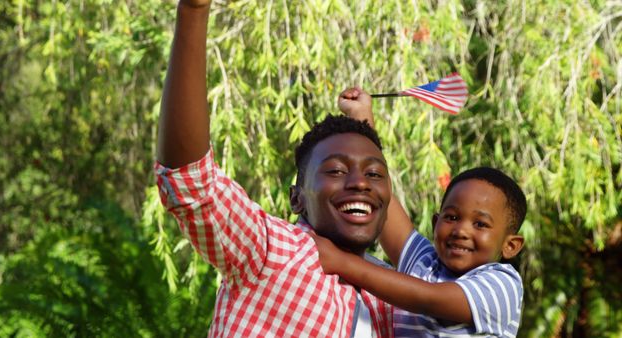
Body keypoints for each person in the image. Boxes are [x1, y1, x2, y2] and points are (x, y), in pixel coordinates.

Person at [155, 1, 394, 336]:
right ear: (296, 199)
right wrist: (194, 11)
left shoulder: (389, 297)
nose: (361, 184)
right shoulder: (271, 252)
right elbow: (191, 183)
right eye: (336, 171)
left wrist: (361, 124)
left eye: (373, 175)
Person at [312, 87, 527, 337]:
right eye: (452, 217)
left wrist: (341, 262)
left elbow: (429, 299)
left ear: (510, 245)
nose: (461, 230)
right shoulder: (425, 264)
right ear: (436, 222)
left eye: (480, 224)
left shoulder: (502, 284)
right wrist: (361, 118)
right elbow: (383, 201)